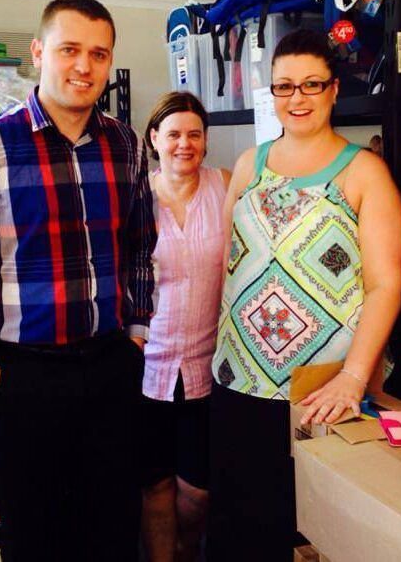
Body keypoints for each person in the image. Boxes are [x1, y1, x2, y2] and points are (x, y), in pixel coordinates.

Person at [0, 0, 155, 561]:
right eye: (69, 49)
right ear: (38, 52)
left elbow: (141, 246)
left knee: (113, 527)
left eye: (98, 54)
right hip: (22, 375)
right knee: (36, 534)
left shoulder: (124, 144)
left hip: (108, 366)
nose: (84, 66)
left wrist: (138, 335)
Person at [207, 29, 401, 561]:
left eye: (311, 85)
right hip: (237, 377)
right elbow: (227, 262)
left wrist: (353, 379)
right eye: (284, 86)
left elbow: (385, 283)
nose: (296, 98)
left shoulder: (364, 172)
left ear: (334, 90)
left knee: (298, 531)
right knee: (235, 524)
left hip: (315, 391)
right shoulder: (250, 164)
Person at [140, 92, 231, 562]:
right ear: (154, 138)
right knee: (154, 483)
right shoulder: (137, 198)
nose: (184, 144)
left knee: (198, 490)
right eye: (173, 134)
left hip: (207, 370)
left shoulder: (225, 186)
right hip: (146, 369)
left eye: (194, 134)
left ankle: (187, 550)